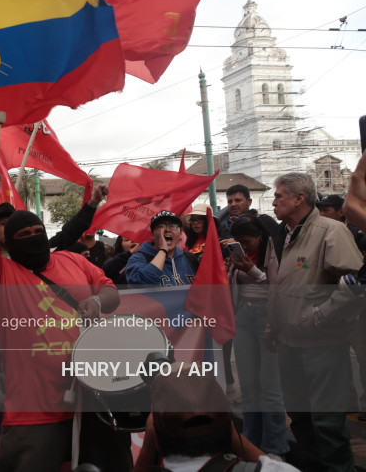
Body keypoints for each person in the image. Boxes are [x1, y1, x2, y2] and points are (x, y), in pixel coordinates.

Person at [0, 166, 126, 472]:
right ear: (10, 245)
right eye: (23, 235)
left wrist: (96, 300)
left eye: (37, 231)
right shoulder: (0, 275)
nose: (33, 237)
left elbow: (112, 293)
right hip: (35, 412)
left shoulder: (73, 260)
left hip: (95, 401)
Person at [264, 172, 364, 471]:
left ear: (299, 198)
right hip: (288, 344)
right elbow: (275, 287)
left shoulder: (330, 231)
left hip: (323, 345)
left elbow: (355, 286)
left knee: (328, 425)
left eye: (279, 196)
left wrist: (319, 316)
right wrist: (273, 325)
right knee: (301, 419)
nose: (273, 201)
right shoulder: (279, 235)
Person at [133, 369, 298, 472]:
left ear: (156, 436)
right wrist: (234, 437)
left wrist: (148, 450)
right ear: (229, 429)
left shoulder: (154, 442)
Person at [228, 214, 289, 459]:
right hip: (243, 315)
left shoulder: (274, 253)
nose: (243, 247)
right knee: (249, 385)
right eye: (238, 242)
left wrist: (252, 270)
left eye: (248, 242)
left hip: (267, 315)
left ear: (260, 237)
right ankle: (250, 443)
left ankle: (275, 447)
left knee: (270, 386)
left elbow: (278, 287)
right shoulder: (238, 257)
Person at [125, 211, 198, 287]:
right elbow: (141, 285)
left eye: (173, 226)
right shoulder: (138, 258)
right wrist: (163, 251)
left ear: (180, 234)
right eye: (161, 226)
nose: (167, 230)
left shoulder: (190, 259)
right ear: (152, 235)